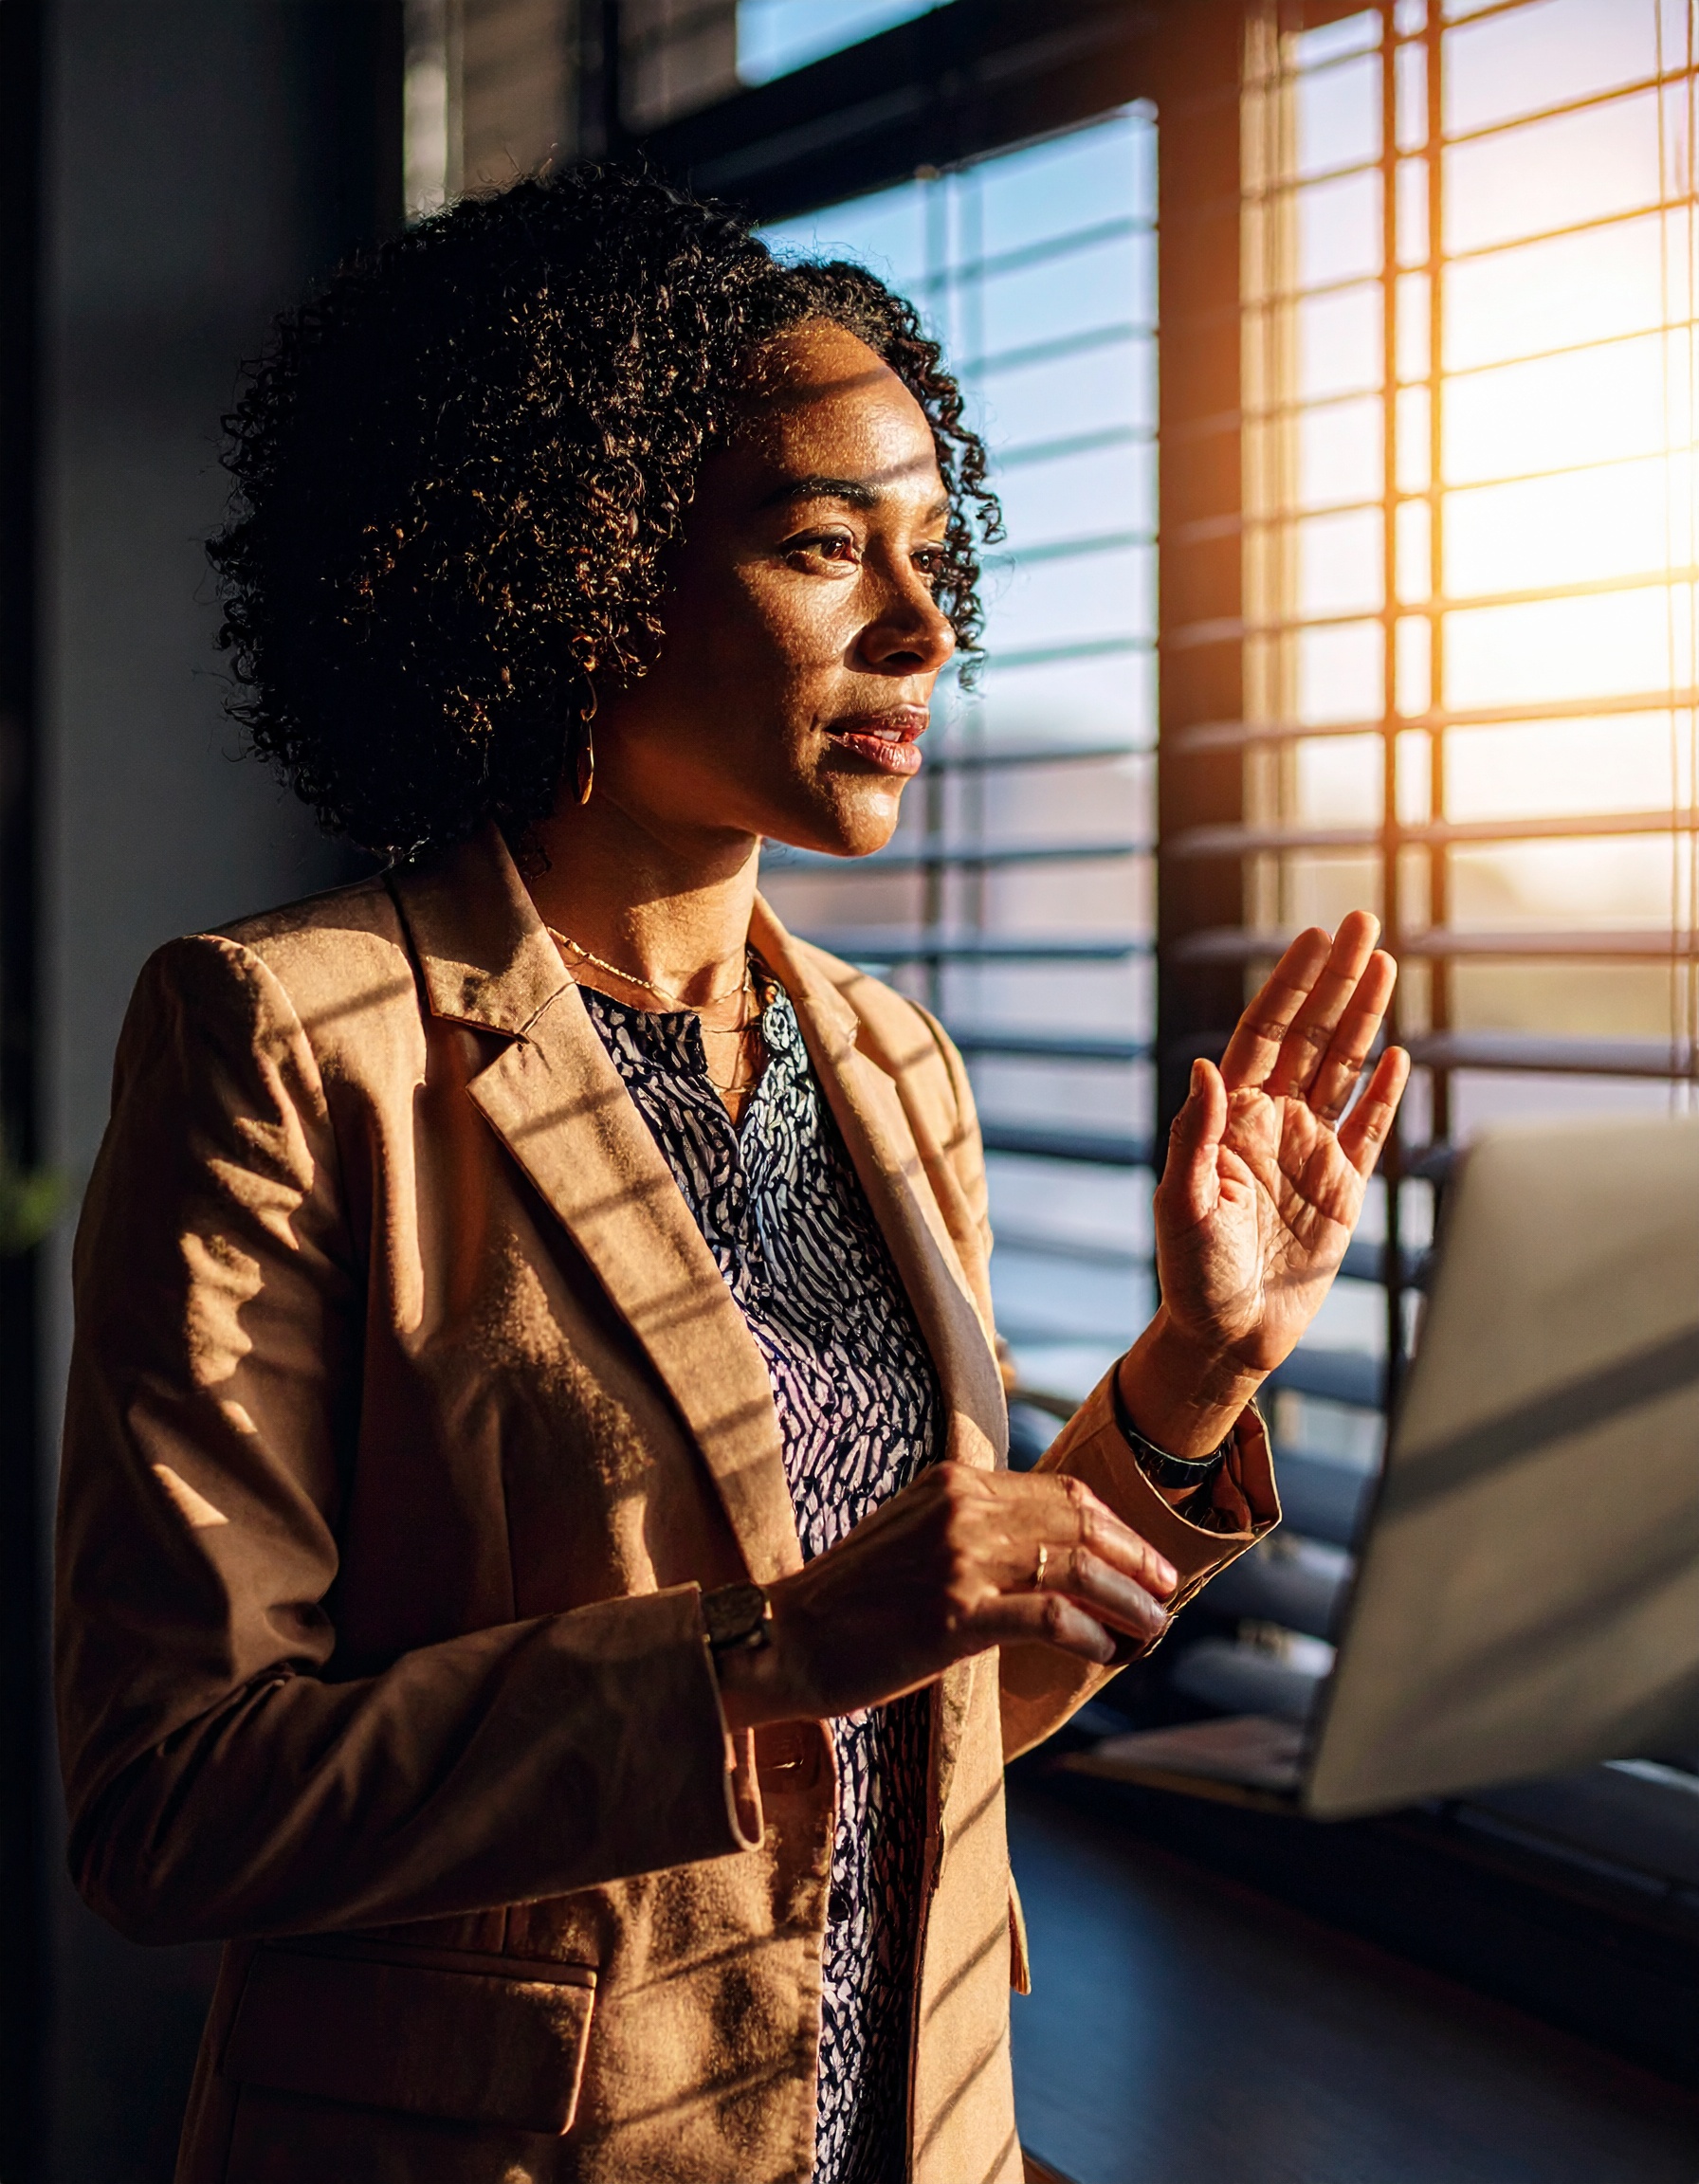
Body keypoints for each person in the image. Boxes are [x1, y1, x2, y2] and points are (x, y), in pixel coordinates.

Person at [54, 163, 1409, 2184]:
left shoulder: (891, 1061)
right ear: (579, 570)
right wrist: (770, 1652)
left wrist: (1199, 1371)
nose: (920, 622)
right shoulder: (282, 1038)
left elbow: (951, 1698)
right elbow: (176, 1805)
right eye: (817, 545)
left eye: (933, 551)